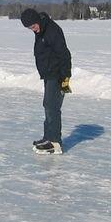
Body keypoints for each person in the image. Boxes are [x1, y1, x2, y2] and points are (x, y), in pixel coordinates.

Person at [20, 8, 72, 154]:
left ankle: (55, 142)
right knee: (47, 105)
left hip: (57, 74)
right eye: (30, 28)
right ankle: (48, 137)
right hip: (49, 74)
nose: (33, 30)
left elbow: (64, 54)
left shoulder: (52, 31)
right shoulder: (41, 29)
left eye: (33, 26)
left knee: (52, 106)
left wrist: (65, 77)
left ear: (37, 20)